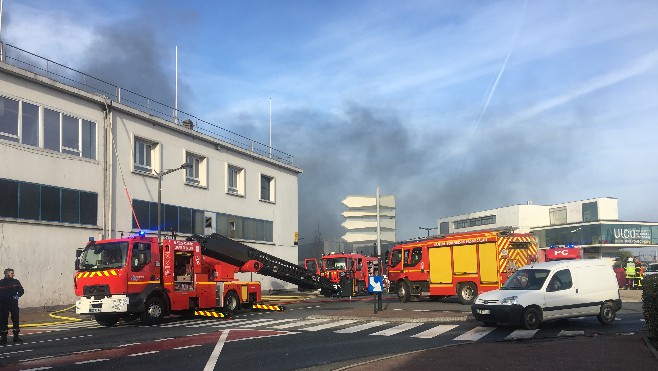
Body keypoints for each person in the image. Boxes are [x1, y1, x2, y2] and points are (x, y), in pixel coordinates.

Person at [1, 268, 25, 345]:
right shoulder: (1, 283)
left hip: (13, 304)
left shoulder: (16, 282)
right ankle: (3, 338)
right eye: (11, 273)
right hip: (3, 304)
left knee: (15, 319)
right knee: (3, 320)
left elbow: (21, 290)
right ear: (7, 274)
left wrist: (18, 295)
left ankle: (16, 337)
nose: (13, 275)